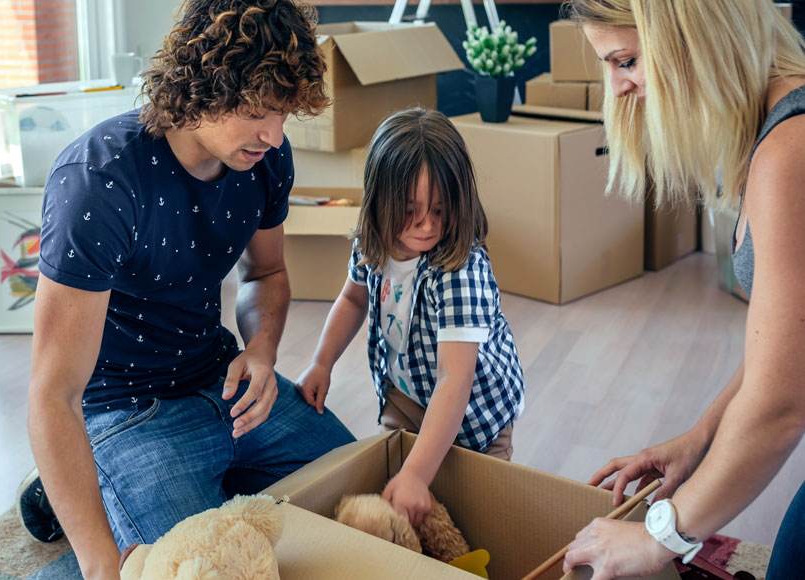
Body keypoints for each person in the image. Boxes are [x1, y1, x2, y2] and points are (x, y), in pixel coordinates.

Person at [16, 1, 356, 578]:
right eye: (257, 111)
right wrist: (100, 564)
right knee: (205, 566)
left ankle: (106, 495)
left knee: (362, 496)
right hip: (127, 410)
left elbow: (266, 274)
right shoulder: (99, 184)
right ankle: (85, 489)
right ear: (200, 86)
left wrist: (262, 351)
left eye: (283, 112)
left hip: (222, 380)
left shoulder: (265, 159)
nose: (274, 135)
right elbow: (53, 396)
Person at [559, 1, 805, 578]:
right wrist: (700, 438)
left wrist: (657, 537)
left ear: (692, 36)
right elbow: (787, 352)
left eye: (626, 61)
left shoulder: (789, 151)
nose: (617, 88)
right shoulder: (774, 129)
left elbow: (780, 406)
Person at [294, 108, 525, 528]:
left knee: (477, 513)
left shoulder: (460, 269)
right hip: (405, 392)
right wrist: (322, 362)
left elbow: (456, 378)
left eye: (440, 210)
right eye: (409, 209)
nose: (426, 225)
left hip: (477, 414)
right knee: (401, 499)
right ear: (380, 201)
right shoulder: (373, 241)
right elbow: (352, 300)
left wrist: (418, 473)